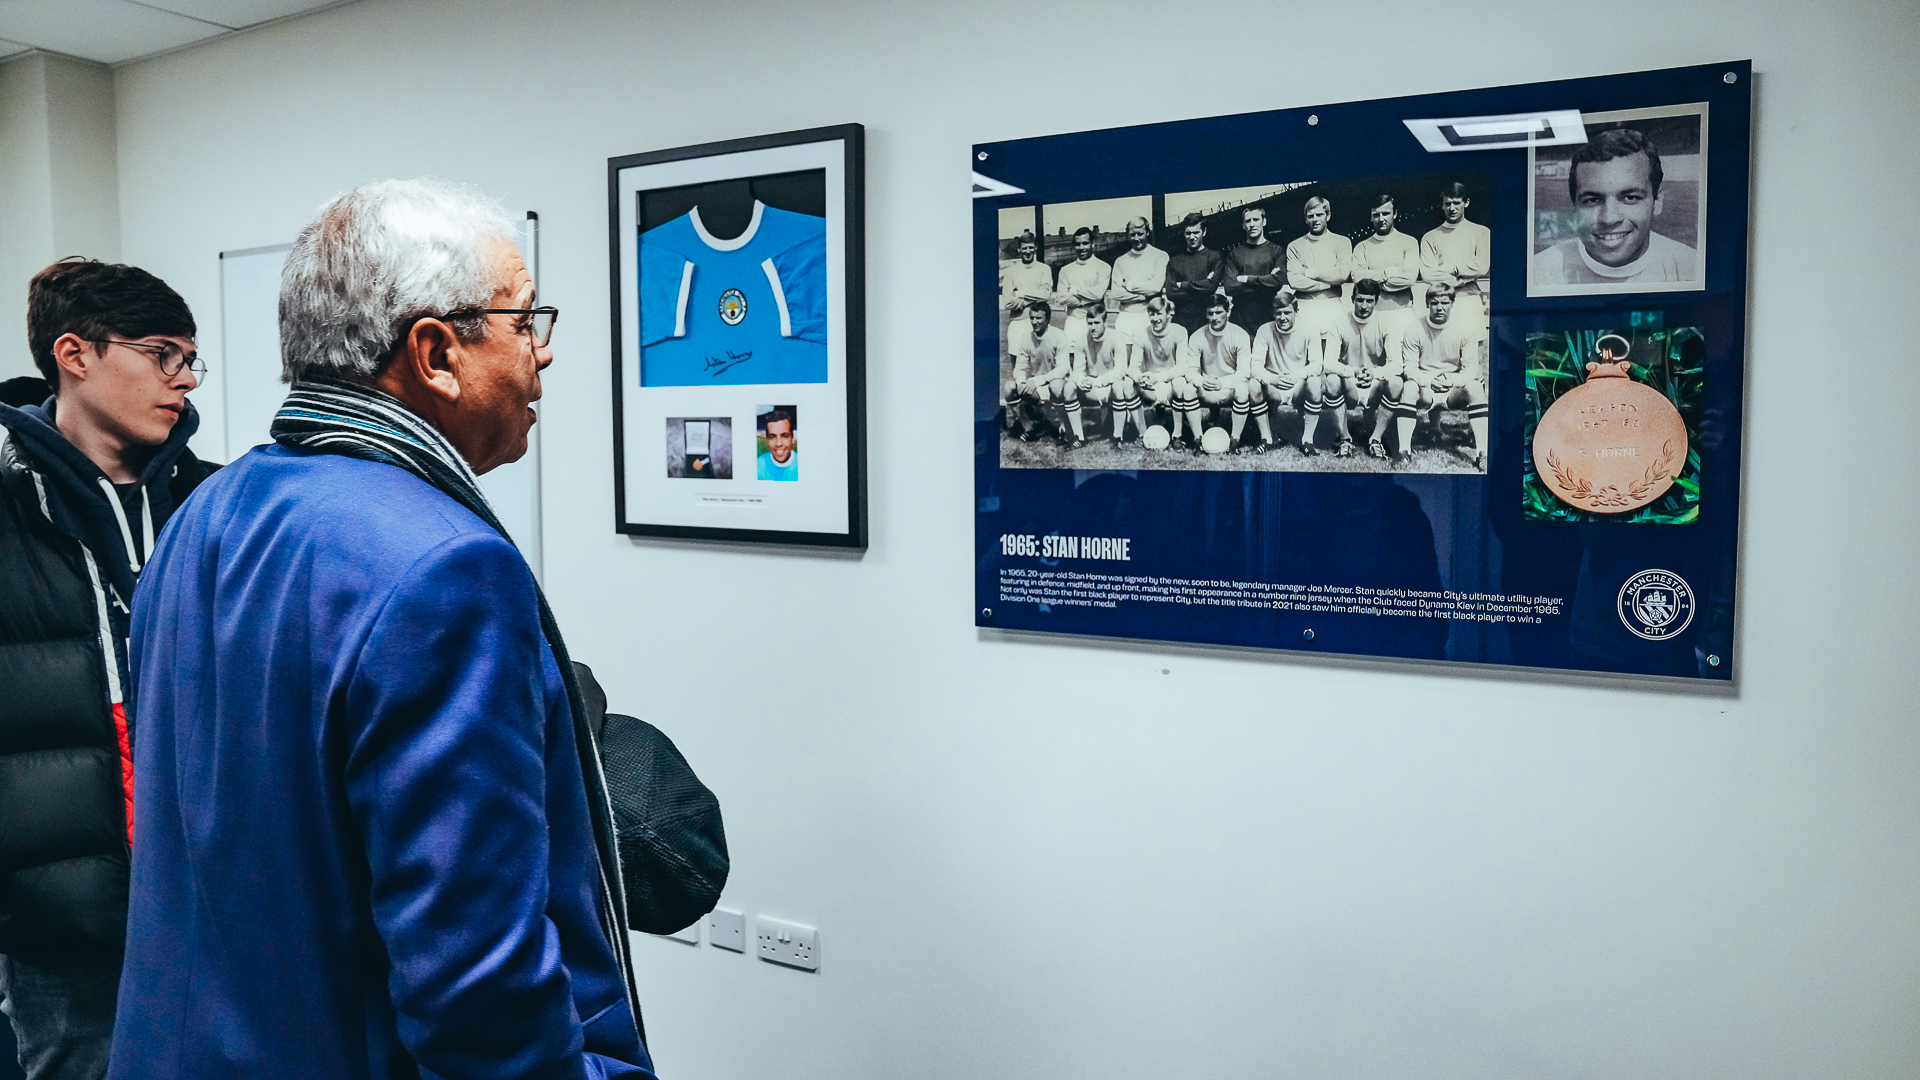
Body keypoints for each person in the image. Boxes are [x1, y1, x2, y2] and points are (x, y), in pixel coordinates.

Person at [111, 178, 658, 1080]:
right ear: (437, 352)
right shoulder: (445, 569)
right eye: (526, 323)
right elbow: (477, 989)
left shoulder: (205, 513)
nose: (543, 355)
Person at [0, 259, 212, 1080]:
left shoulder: (215, 501)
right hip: (60, 919)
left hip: (210, 898)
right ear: (75, 355)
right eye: (162, 354)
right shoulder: (11, 506)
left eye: (191, 359)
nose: (184, 380)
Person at [1533, 127, 1697, 288]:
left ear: (1658, 201)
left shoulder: (1691, 267)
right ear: (1574, 206)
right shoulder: (1537, 272)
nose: (1609, 218)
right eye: (1592, 200)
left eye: (1630, 198)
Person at [1397, 280, 1488, 468]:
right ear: (1427, 304)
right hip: (1426, 389)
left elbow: (1471, 368)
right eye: (1435, 303)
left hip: (1453, 389)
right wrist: (1428, 380)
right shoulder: (1414, 328)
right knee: (1409, 386)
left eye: (1444, 303)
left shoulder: (1466, 329)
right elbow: (1409, 367)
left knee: (1475, 385)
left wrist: (1453, 380)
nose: (1440, 308)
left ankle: (1482, 452)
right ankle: (1403, 451)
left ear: (1452, 304)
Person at [1330, 278, 1397, 459]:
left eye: (1369, 301)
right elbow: (1328, 363)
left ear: (1376, 301)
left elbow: (1396, 363)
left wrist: (1375, 373)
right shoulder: (1338, 323)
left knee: (1397, 382)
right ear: (1352, 299)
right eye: (1360, 300)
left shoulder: (1387, 323)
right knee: (1331, 380)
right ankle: (1345, 439)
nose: (1364, 306)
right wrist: (1352, 372)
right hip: (1350, 381)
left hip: (1376, 381)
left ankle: (1376, 439)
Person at [1249, 289, 1321, 455]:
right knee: (1253, 384)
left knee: (1315, 381)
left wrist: (1297, 375)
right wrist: (1271, 378)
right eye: (1278, 313)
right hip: (1274, 385)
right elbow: (1255, 366)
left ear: (1296, 311)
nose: (1282, 317)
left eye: (1287, 313)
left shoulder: (1309, 329)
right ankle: (1267, 438)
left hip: (1298, 385)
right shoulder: (1264, 330)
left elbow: (1317, 364)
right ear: (1272, 312)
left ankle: (1307, 440)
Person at [1179, 292, 1253, 450]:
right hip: (1207, 386)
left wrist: (1223, 383)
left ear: (1228, 312)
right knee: (1188, 389)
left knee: (1242, 389)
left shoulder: (1240, 335)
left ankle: (1235, 439)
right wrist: (1202, 381)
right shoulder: (1198, 336)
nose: (1214, 317)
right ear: (1206, 314)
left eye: (1219, 312)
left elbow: (1244, 372)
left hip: (1229, 387)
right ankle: (1198, 438)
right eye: (1210, 313)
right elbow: (1190, 371)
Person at [1419, 182, 1490, 325]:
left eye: (1457, 203)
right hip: (1441, 302)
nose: (1452, 208)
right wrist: (1463, 279)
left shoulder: (1482, 232)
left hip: (1469, 302)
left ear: (1466, 202)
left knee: (1473, 346)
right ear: (1442, 205)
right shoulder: (1430, 237)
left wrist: (1453, 269)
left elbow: (1482, 266)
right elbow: (1427, 274)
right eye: (1448, 203)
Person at [1006, 300, 1073, 443]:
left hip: (1056, 383)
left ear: (1048, 319)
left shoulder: (1059, 336)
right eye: (1032, 318)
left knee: (1056, 386)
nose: (1034, 322)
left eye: (1038, 318)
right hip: (1036, 386)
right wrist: (1021, 382)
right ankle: (1028, 428)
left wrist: (1037, 381)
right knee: (1009, 389)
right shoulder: (1026, 338)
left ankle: (1064, 427)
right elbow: (1020, 367)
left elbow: (1063, 369)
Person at [1072, 310, 1141, 446]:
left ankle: (1118, 437)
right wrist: (1081, 380)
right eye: (1090, 323)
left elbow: (1121, 370)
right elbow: (1077, 371)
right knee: (1069, 387)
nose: (1093, 327)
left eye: (1097, 323)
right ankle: (1077, 437)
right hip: (1091, 386)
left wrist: (1098, 381)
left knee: (1119, 386)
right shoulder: (1081, 340)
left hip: (1109, 385)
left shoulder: (1116, 338)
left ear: (1105, 322)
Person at [1284, 196, 1352, 334]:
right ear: (1305, 219)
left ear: (1328, 215)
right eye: (1311, 216)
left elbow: (1342, 274)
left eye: (1319, 214)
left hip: (1332, 305)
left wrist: (1307, 273)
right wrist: (1327, 284)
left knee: (1333, 353)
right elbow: (1294, 281)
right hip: (1304, 307)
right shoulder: (1294, 246)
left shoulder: (1342, 242)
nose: (1315, 219)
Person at [1349, 193, 1420, 318]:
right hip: (1373, 314)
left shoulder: (1409, 242)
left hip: (1402, 312)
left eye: (1386, 213)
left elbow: (1410, 278)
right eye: (1376, 215)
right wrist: (1391, 272)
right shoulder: (1362, 247)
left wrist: (1376, 283)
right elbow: (1358, 278)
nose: (1381, 219)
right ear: (1371, 217)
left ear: (1395, 214)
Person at [1133, 296, 1193, 442]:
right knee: (1128, 385)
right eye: (1151, 314)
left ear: (1168, 314)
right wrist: (1139, 377)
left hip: (1171, 381)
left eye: (1159, 313)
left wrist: (1159, 378)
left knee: (1180, 383)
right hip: (1150, 385)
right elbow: (1133, 367)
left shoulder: (1180, 331)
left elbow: (1182, 367)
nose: (1155, 318)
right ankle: (1142, 434)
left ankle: (1177, 435)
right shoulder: (1141, 334)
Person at [1104, 216, 1167, 351]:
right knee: (1125, 364)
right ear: (1128, 235)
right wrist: (1143, 296)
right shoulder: (1120, 261)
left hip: (1149, 316)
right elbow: (1116, 293)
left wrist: (1130, 285)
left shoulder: (1160, 256)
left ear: (1148, 233)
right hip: (1125, 318)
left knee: (1148, 365)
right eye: (1132, 235)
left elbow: (1156, 287)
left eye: (1140, 234)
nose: (1137, 238)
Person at [1221, 205, 1285, 333]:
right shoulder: (1234, 254)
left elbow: (1278, 282)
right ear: (1243, 225)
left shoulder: (1276, 250)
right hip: (1240, 320)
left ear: (1264, 222)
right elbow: (1229, 288)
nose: (1252, 224)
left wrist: (1246, 279)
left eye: (1256, 219)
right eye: (1248, 221)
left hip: (1269, 317)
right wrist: (1266, 282)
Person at [1051, 227, 1111, 361]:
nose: (1081, 247)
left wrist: (1076, 291)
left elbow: (1098, 294)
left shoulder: (1103, 267)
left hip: (1095, 321)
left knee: (1096, 362)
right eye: (1078, 244)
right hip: (1073, 321)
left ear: (1092, 244)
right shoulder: (1065, 270)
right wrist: (1084, 301)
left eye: (1085, 243)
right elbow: (1061, 297)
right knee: (1072, 361)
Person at [1163, 212, 1224, 330]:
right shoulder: (1174, 261)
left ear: (1204, 232)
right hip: (1181, 322)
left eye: (1196, 232)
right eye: (1188, 233)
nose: (1191, 237)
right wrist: (1203, 284)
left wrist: (1183, 285)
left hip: (1207, 322)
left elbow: (1211, 287)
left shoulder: (1215, 257)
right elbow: (1171, 293)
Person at [999, 230, 1053, 359]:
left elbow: (1046, 294)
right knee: (1017, 365)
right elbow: (1007, 301)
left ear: (1035, 248)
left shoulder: (1044, 269)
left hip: (1039, 322)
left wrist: (1022, 296)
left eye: (1030, 247)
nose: (1027, 251)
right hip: (1017, 322)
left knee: (1040, 364)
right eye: (1024, 248)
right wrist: (1034, 299)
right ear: (1019, 249)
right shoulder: (1011, 272)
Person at [758, 406, 797, 480]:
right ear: (767, 440)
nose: (779, 444)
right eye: (772, 437)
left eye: (785, 436)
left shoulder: (803, 464)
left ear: (792, 439)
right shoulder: (757, 466)